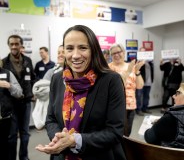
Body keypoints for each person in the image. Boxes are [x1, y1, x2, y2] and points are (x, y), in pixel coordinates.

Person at [36, 25, 127, 160]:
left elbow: (114, 132)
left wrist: (74, 140)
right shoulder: (57, 79)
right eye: (70, 48)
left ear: (93, 50)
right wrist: (59, 138)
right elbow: (51, 119)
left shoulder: (111, 81)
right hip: (63, 155)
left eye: (83, 48)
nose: (76, 55)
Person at [2, 34, 36, 160]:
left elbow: (32, 78)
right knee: (11, 135)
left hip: (26, 102)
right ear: (9, 45)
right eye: (11, 44)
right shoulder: (4, 63)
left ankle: (24, 157)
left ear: (21, 45)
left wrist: (34, 91)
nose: (14, 46)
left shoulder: (28, 61)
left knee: (25, 133)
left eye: (16, 44)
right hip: (10, 104)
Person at [109, 43, 144, 137]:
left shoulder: (131, 66)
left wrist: (136, 71)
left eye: (118, 52)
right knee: (118, 134)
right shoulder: (108, 68)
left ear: (123, 53)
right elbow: (118, 85)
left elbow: (140, 86)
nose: (116, 55)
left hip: (131, 105)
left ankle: (125, 151)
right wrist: (128, 72)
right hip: (116, 105)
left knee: (127, 133)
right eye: (113, 53)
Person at [144, 82, 184, 149]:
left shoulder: (170, 118)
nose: (173, 96)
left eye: (177, 93)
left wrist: (157, 124)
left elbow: (148, 137)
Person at [0, 59, 23, 159]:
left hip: (6, 118)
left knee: (8, 147)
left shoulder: (7, 73)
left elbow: (19, 92)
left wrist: (10, 86)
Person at [136, 47, 154, 116]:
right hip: (140, 82)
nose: (143, 53)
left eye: (144, 52)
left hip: (148, 82)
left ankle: (145, 108)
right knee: (139, 96)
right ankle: (138, 110)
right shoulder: (138, 61)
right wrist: (141, 62)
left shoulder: (149, 62)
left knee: (146, 96)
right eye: (142, 52)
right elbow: (136, 69)